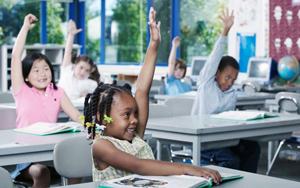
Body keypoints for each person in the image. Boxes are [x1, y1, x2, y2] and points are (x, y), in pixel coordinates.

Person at [83, 7, 221, 184]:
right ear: (103, 118)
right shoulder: (101, 145)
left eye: (135, 113)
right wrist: (188, 168)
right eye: (126, 114)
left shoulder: (135, 138)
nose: (134, 119)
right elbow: (138, 166)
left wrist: (154, 44)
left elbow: (142, 90)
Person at [10, 14, 82, 188]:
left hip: (52, 152)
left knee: (77, 166)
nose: (43, 73)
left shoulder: (58, 92)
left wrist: (92, 126)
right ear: (26, 76)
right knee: (42, 172)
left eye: (46, 69)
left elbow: (76, 115)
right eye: (36, 70)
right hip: (26, 156)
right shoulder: (22, 90)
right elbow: (15, 56)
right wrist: (25, 27)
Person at [191, 9, 260, 173]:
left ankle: (247, 182)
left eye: (234, 79)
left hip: (223, 139)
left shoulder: (231, 94)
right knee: (231, 161)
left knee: (253, 148)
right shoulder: (207, 84)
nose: (230, 82)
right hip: (204, 141)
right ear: (217, 73)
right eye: (227, 77)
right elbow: (215, 57)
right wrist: (225, 31)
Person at [58, 20, 98, 100]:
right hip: (58, 106)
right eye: (81, 67)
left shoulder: (90, 84)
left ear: (90, 73)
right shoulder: (67, 71)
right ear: (75, 65)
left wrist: (85, 95)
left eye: (87, 70)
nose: (83, 72)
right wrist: (71, 35)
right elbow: (68, 52)